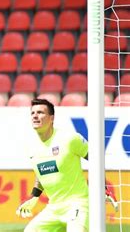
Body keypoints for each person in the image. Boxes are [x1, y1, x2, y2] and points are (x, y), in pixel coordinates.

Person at [16, 98, 89, 232]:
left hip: (78, 204)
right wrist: (34, 195)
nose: (35, 116)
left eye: (40, 112)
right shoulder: (32, 147)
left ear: (51, 118)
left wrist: (103, 186)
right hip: (54, 208)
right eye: (32, 113)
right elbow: (42, 173)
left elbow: (96, 158)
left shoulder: (70, 139)